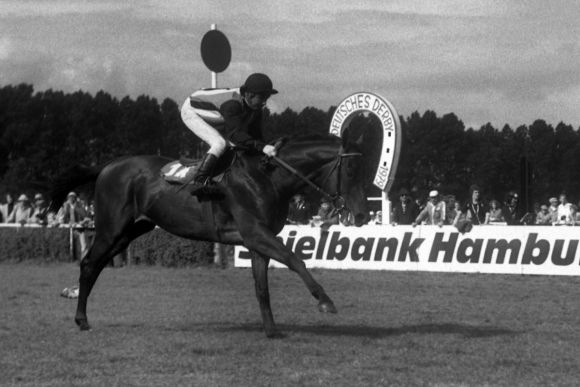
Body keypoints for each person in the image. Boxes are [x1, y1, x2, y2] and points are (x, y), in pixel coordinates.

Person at [180, 73, 278, 196]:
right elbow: (235, 135)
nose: (264, 102)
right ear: (249, 94)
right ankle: (200, 181)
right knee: (220, 143)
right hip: (192, 109)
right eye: (262, 97)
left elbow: (256, 137)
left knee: (237, 144)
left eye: (266, 97)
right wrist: (261, 147)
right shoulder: (233, 105)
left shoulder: (254, 107)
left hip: (215, 111)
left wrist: (264, 148)